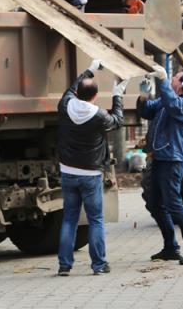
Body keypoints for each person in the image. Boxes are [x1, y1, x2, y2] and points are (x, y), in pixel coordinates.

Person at [56, 59, 127, 276]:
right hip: (90, 174)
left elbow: (70, 88)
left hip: (68, 171)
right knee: (95, 219)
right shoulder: (98, 116)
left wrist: (91, 68)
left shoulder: (65, 104)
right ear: (95, 96)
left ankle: (64, 266)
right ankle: (99, 265)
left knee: (69, 219)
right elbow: (117, 120)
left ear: (77, 92)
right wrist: (118, 94)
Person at [139, 65, 183, 265]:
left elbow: (173, 106)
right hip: (159, 157)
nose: (171, 79)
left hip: (172, 159)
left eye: (175, 77)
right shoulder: (168, 99)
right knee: (154, 204)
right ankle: (170, 247)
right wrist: (143, 96)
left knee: (173, 204)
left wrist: (161, 81)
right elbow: (147, 111)